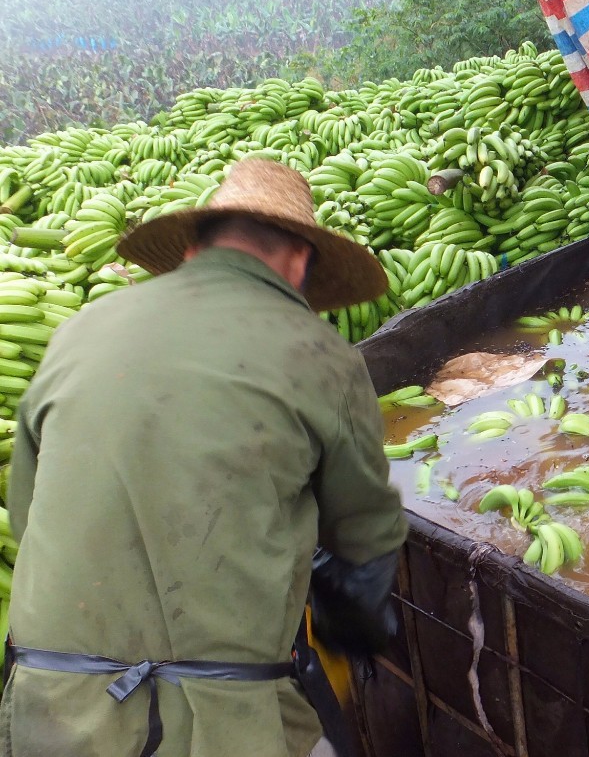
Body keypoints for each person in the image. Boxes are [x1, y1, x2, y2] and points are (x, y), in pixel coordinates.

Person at [0, 158, 409, 757]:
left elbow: (28, 512)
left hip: (48, 712)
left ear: (192, 251)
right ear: (300, 261)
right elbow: (365, 535)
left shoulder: (81, 331)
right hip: (220, 723)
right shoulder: (320, 354)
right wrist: (356, 629)